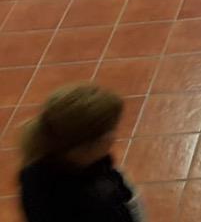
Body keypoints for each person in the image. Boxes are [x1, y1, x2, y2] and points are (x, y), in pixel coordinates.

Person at [19, 84, 142, 222]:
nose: (115, 136)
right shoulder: (53, 196)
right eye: (111, 129)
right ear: (88, 143)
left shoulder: (91, 161)